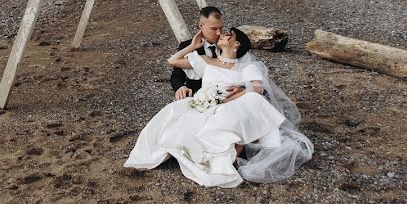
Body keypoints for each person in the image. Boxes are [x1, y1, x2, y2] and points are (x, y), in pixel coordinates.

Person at [124, 27, 312, 187]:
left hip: (232, 106)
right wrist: (193, 46)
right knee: (174, 111)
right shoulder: (207, 61)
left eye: (228, 35)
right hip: (206, 104)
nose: (222, 35)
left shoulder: (246, 67)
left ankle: (230, 156)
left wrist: (240, 91)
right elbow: (173, 61)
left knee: (249, 103)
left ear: (237, 45)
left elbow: (258, 88)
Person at [171, 6, 232, 99]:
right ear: (201, 26)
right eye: (214, 29)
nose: (219, 33)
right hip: (195, 97)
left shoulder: (226, 44)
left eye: (221, 28)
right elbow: (176, 76)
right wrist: (180, 87)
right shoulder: (187, 46)